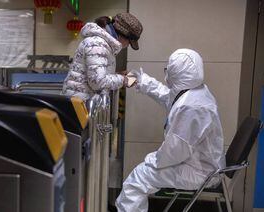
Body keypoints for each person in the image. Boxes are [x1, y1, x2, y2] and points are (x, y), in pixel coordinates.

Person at [115, 48, 226, 212]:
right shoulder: (195, 92)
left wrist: (151, 160)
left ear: (177, 72)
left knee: (138, 179)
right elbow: (165, 95)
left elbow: (175, 152)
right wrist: (133, 79)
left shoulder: (192, 107)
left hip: (199, 171)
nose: (167, 73)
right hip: (200, 162)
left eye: (169, 69)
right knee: (142, 174)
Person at [61, 13, 143, 101]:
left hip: (82, 101)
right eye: (129, 42)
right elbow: (97, 82)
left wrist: (118, 75)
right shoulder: (97, 44)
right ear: (122, 35)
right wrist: (124, 80)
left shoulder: (103, 44)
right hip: (77, 105)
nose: (127, 46)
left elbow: (96, 75)